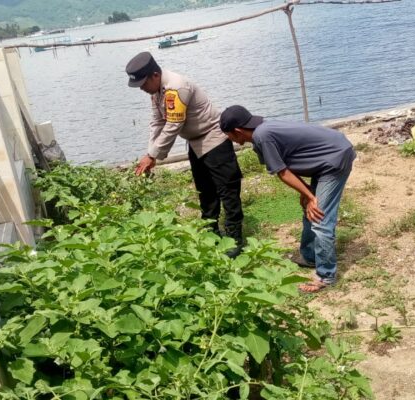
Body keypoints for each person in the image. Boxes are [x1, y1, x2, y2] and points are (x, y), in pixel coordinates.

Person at [219, 105, 356, 293]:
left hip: (335, 158)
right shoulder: (262, 132)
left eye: (228, 135)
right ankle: (309, 257)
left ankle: (326, 277)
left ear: (237, 131)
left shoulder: (262, 136)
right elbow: (287, 166)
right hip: (324, 159)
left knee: (320, 217)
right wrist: (306, 192)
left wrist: (310, 196)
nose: (229, 139)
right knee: (310, 208)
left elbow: (282, 172)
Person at [125, 52, 244, 257]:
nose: (142, 89)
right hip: (195, 142)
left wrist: (153, 156)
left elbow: (174, 124)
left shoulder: (176, 87)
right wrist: (149, 152)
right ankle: (212, 232)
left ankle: (234, 238)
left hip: (213, 138)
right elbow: (157, 122)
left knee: (227, 190)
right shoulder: (157, 92)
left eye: (144, 83)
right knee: (205, 191)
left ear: (155, 74)